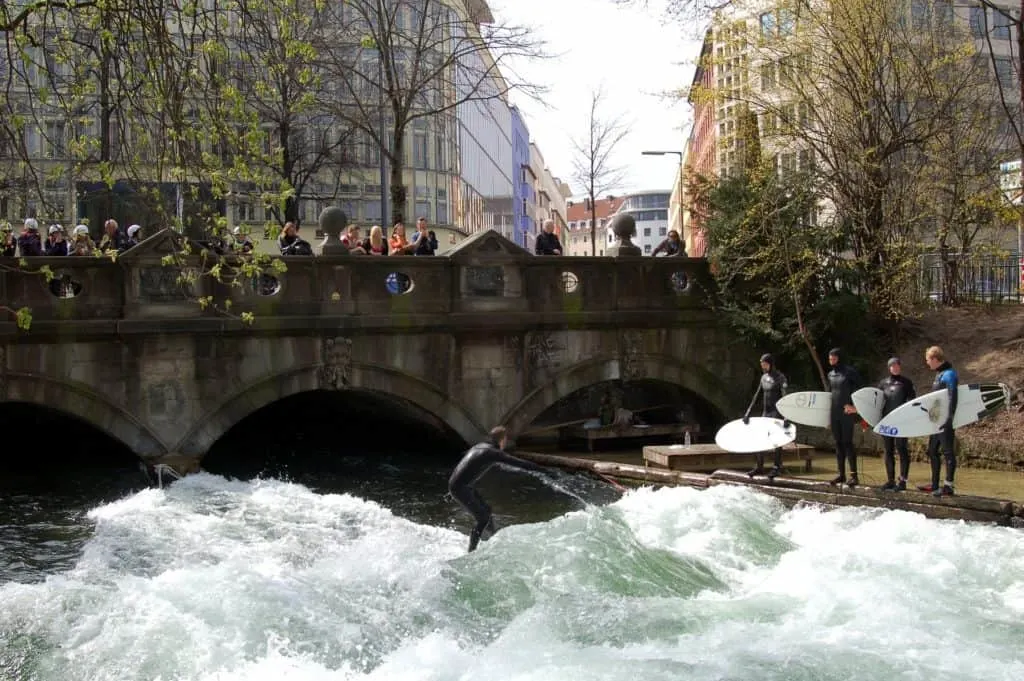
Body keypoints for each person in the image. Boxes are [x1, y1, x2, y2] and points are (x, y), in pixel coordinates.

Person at [448, 425, 551, 553]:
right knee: (483, 518)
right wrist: (544, 471)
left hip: (459, 484)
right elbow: (519, 463)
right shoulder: (493, 453)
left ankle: (490, 539)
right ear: (503, 440)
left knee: (487, 510)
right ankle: (471, 551)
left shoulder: (480, 446)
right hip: (460, 488)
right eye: (506, 440)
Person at [744, 353, 789, 479]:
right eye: (761, 363)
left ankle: (776, 467)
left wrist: (786, 416)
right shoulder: (763, 377)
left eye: (764, 363)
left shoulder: (780, 378)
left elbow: (785, 397)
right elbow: (757, 395)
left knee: (777, 441)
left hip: (776, 413)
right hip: (766, 412)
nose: (762, 366)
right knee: (760, 438)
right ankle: (759, 466)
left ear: (770, 363)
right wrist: (748, 412)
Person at [921, 346, 958, 497]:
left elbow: (953, 396)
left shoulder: (949, 374)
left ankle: (948, 486)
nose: (927, 363)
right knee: (932, 451)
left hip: (945, 421)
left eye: (928, 360)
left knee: (948, 452)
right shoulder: (939, 374)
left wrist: (949, 418)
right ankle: (935, 484)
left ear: (935, 359)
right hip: (936, 421)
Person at [878, 357, 915, 492]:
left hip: (901, 422)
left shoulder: (906, 383)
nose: (894, 367)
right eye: (892, 366)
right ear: (889, 368)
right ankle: (890, 480)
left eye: (897, 365)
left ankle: (903, 481)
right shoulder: (883, 384)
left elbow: (912, 402)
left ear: (900, 366)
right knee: (888, 451)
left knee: (902, 449)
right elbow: (877, 403)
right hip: (887, 422)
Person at [827, 347, 861, 488]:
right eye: (830, 358)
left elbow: (860, 389)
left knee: (847, 443)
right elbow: (831, 395)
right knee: (838, 443)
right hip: (834, 413)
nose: (832, 360)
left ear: (839, 358)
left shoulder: (850, 372)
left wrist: (855, 407)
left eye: (834, 358)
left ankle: (854, 476)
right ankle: (841, 475)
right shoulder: (830, 374)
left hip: (847, 413)